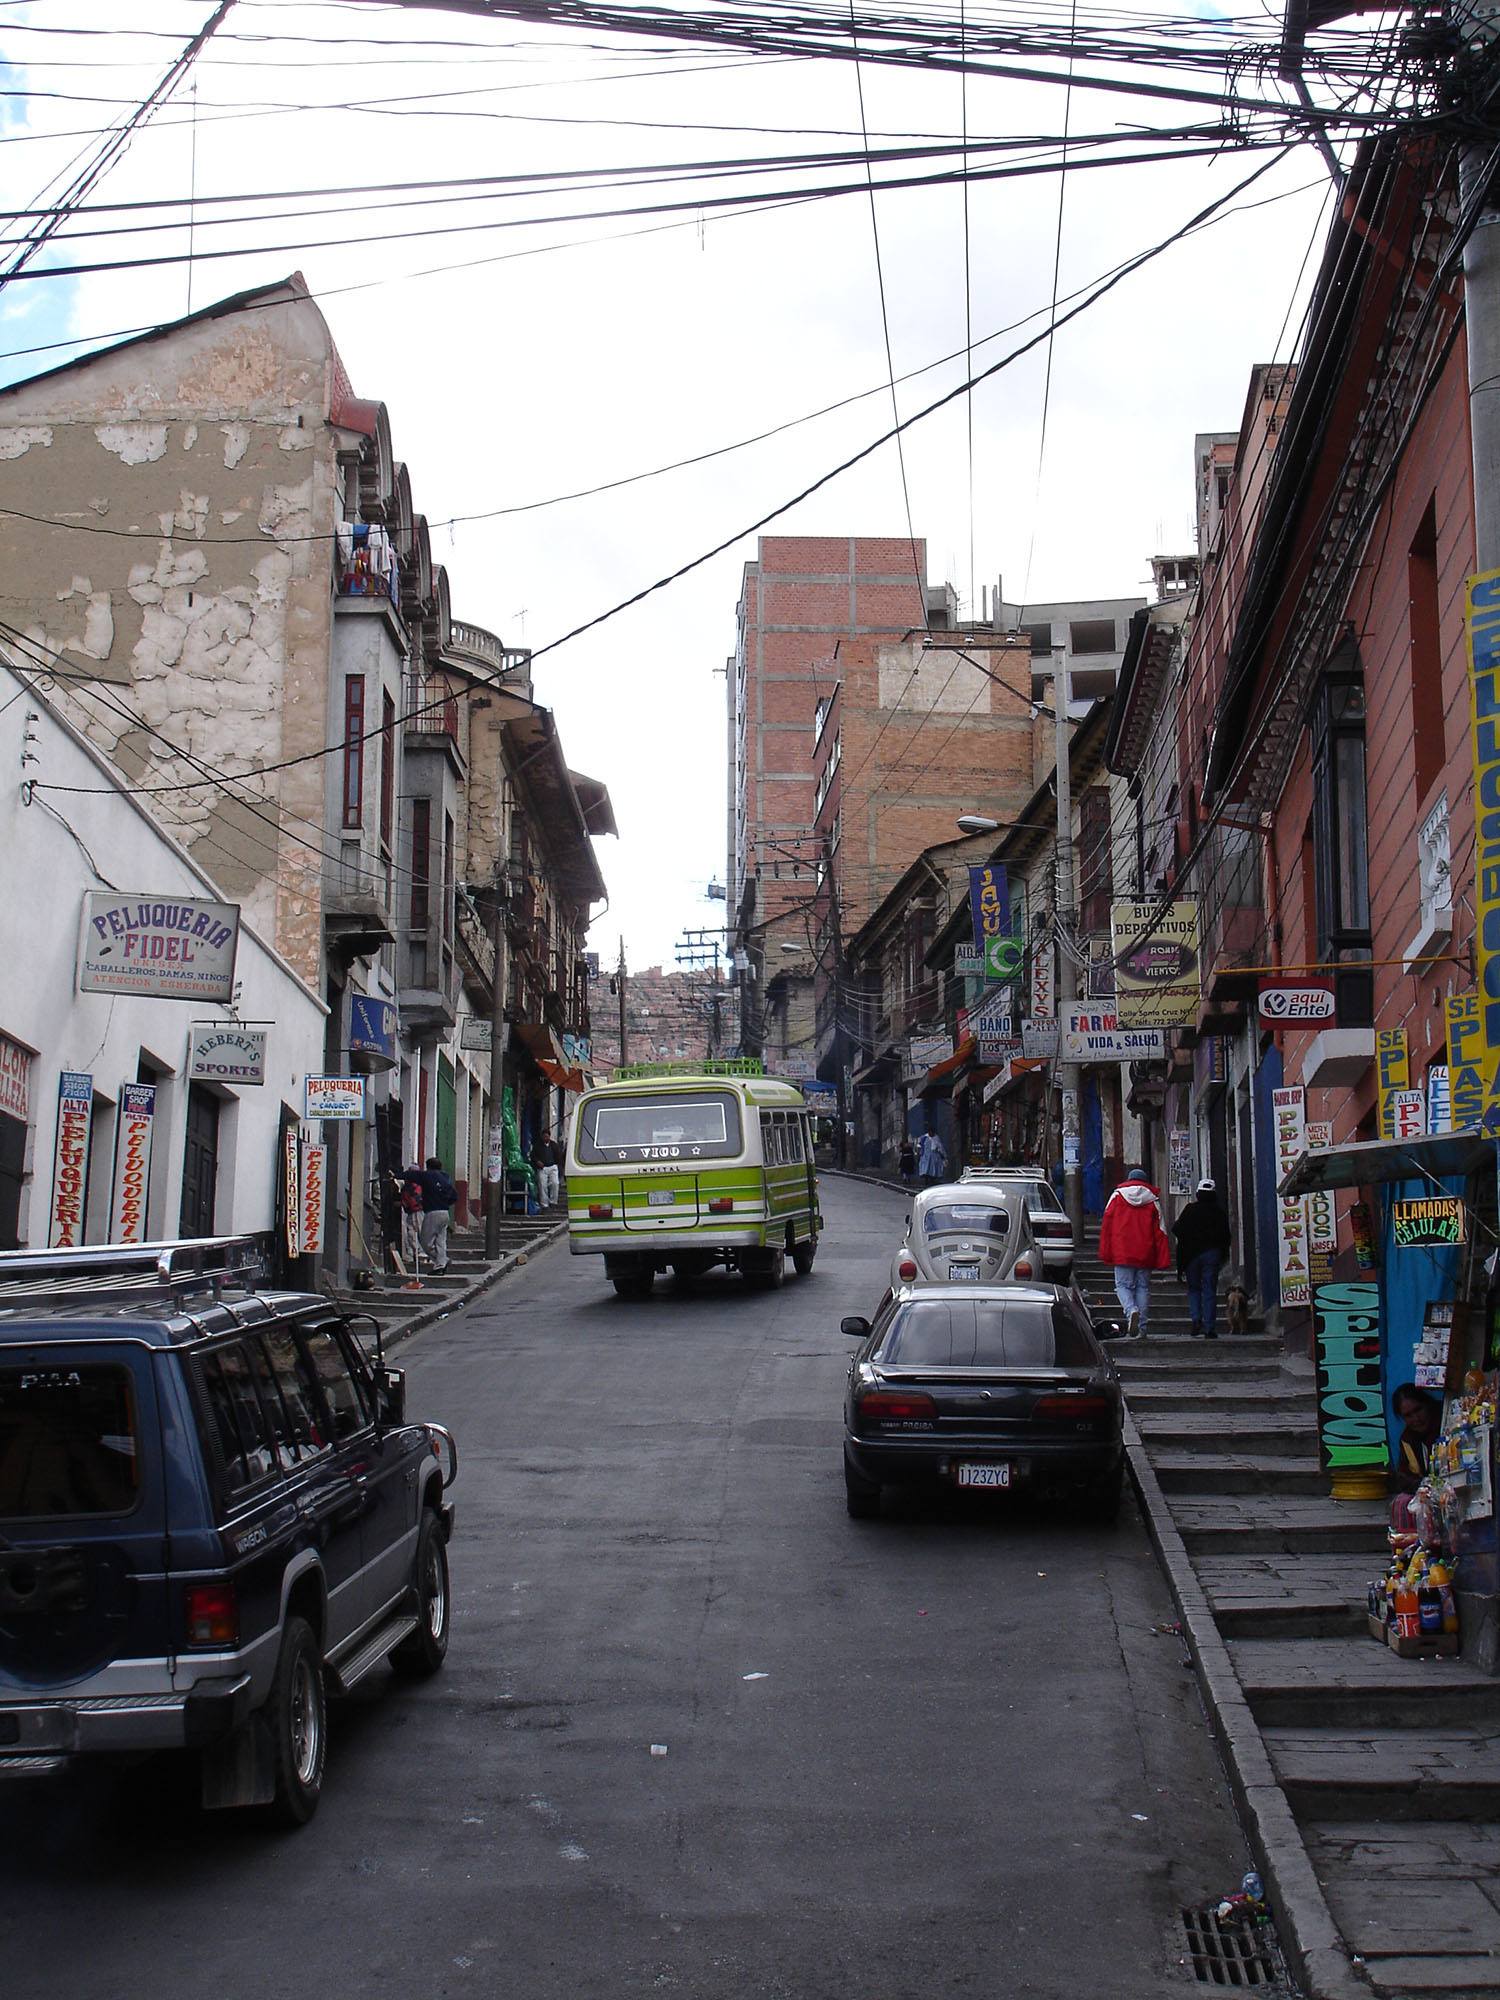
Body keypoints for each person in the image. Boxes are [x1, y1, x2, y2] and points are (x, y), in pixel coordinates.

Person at [1098, 1166, 1172, 1338]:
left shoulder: (1117, 1196)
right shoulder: (1153, 1200)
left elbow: (1106, 1225)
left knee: (1122, 1286)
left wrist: (1106, 1251)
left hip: (1122, 1250)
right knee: (1143, 1288)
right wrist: (1162, 1256)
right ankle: (1142, 1328)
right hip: (1145, 1252)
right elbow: (1161, 1231)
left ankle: (1131, 1310)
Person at [1173, 1177, 1233, 1338]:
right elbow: (1226, 1236)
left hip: (1192, 1256)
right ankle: (1210, 1327)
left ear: (1198, 1193)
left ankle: (1196, 1319)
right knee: (1209, 1290)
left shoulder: (1190, 1210)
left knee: (1194, 1289)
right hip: (1211, 1254)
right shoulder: (1219, 1213)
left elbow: (1177, 1229)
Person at [1391, 1383, 1442, 1494]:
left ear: (1427, 1404)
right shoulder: (1408, 1439)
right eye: (1408, 1415)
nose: (1416, 1418)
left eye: (1418, 1410)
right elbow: (1404, 1475)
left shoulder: (1445, 1422)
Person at [414, 1154, 458, 1274]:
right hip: (445, 1212)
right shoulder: (445, 1179)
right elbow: (454, 1196)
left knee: (425, 1241)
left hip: (433, 1213)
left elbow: (412, 1176)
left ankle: (442, 1260)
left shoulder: (428, 1176)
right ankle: (440, 1266)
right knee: (440, 1242)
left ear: (428, 1167)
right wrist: (445, 1202)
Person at [532, 1129, 562, 1209]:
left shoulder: (554, 1145)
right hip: (542, 1168)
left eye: (547, 1136)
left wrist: (557, 1165)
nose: (545, 1138)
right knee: (542, 1185)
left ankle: (553, 1202)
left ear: (549, 1136)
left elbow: (559, 1156)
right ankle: (544, 1204)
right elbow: (533, 1156)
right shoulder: (537, 1146)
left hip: (553, 1167)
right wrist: (538, 1162)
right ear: (542, 1137)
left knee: (555, 1183)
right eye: (544, 1136)